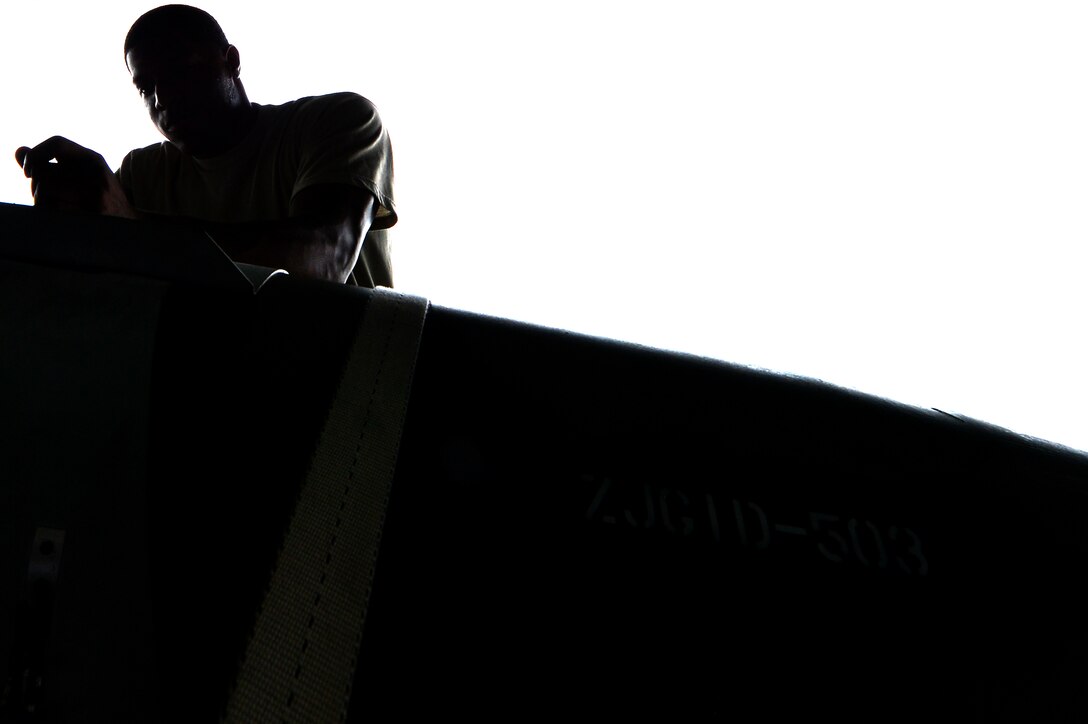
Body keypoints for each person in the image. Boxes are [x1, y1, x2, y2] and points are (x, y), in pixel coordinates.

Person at [13, 4, 396, 286]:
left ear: (232, 61)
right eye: (145, 87)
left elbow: (322, 262)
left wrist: (127, 225)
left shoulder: (342, 120)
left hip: (353, 374)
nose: (160, 99)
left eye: (179, 70)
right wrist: (62, 226)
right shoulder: (142, 174)